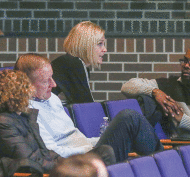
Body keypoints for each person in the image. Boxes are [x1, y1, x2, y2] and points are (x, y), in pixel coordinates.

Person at [15, 54, 163, 164]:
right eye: (45, 81)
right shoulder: (27, 111)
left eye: (52, 77)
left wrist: (95, 143)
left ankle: (163, 166)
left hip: (89, 151)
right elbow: (53, 153)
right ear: (26, 84)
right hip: (78, 163)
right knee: (128, 117)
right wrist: (89, 149)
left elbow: (75, 138)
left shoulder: (52, 99)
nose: (53, 84)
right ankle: (163, 166)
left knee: (130, 123)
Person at [121, 45, 190, 140]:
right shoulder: (171, 85)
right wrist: (154, 91)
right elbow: (127, 86)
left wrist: (183, 120)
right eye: (185, 61)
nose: (186, 65)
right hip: (174, 147)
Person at [0, 69, 61, 176]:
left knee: (100, 152)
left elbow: (44, 153)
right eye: (28, 89)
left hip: (42, 173)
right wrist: (64, 167)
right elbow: (30, 162)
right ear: (18, 95)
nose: (32, 94)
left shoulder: (24, 117)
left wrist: (71, 162)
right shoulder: (4, 124)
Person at [51, 21, 107, 104]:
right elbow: (86, 105)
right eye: (100, 44)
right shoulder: (73, 63)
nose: (104, 49)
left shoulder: (73, 63)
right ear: (86, 44)